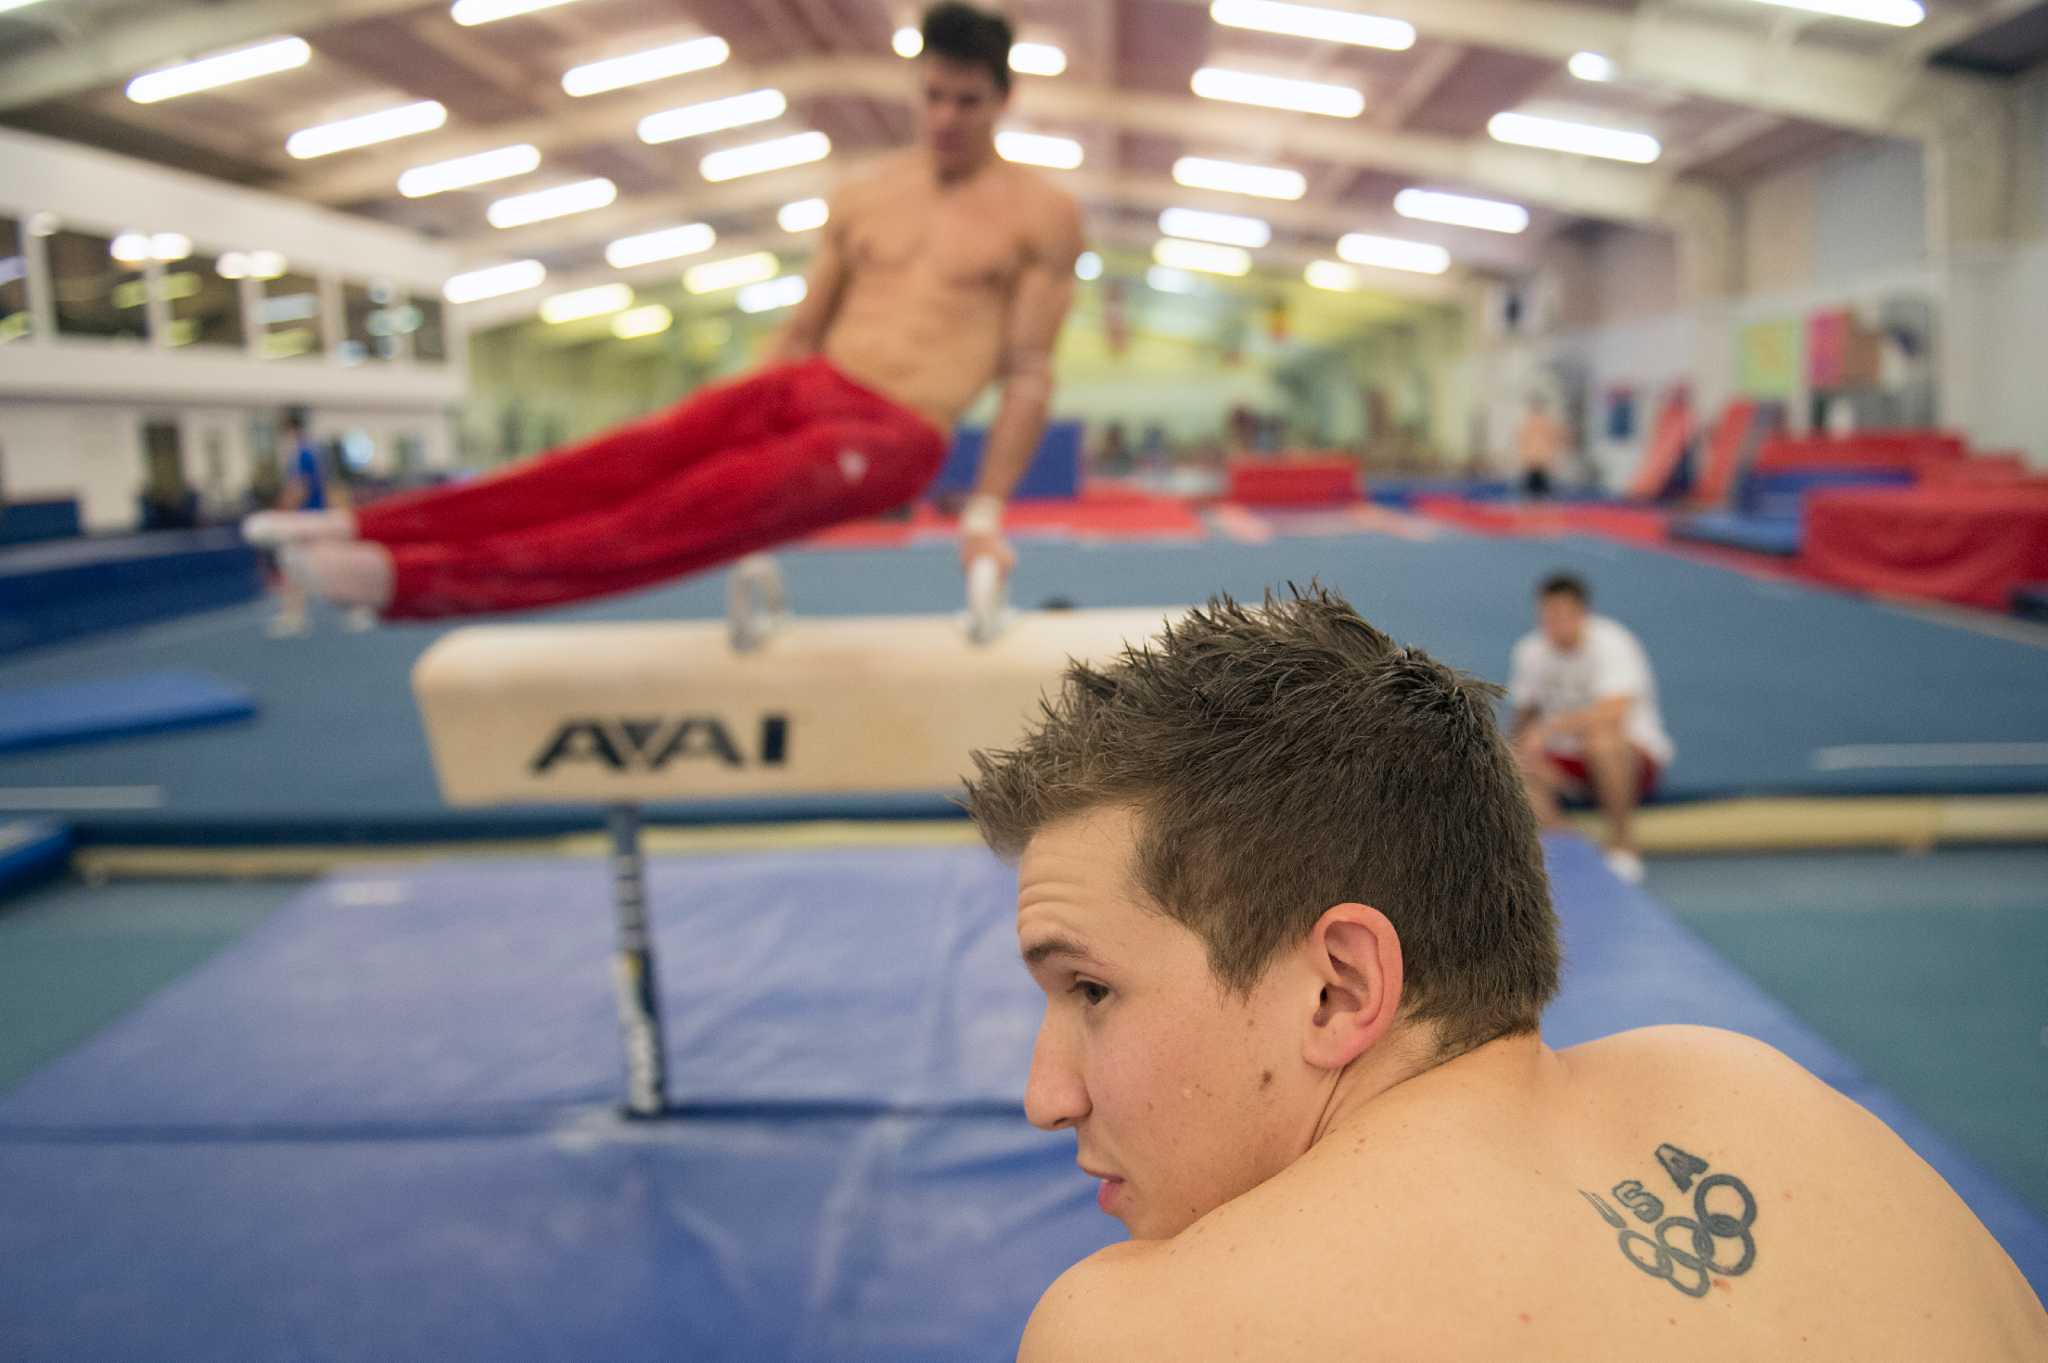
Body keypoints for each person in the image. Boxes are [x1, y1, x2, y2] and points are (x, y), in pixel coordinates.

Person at [961, 586, 2047, 1363]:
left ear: (1337, 986)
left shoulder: (1146, 1331)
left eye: (1090, 990)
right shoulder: (1761, 1091)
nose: (1046, 1093)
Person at [246, 2, 1082, 620]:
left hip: (899, 433)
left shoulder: (1040, 213)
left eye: (967, 102)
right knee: (629, 457)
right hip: (807, 385)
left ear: (1003, 101)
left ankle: (412, 582)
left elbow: (1029, 374)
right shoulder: (865, 194)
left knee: (683, 508)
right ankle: (366, 524)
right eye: (933, 95)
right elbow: (799, 331)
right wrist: (752, 410)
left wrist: (982, 508)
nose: (944, 117)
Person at [1508, 572, 1672, 884]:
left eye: (1563, 615)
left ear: (1582, 613)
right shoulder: (1531, 651)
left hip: (1627, 759)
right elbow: (1525, 715)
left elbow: (1614, 712)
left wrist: (1549, 730)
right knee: (1511, 766)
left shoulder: (1612, 643)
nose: (1555, 623)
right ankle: (1574, 846)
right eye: (1549, 615)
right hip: (1567, 764)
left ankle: (1624, 844)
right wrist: (1518, 749)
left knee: (1602, 738)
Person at [1516, 391, 1566, 499]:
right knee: (1532, 491)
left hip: (1542, 461)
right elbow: (1523, 441)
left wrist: (1553, 457)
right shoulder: (1530, 423)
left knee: (1541, 492)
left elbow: (1556, 440)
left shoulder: (1546, 423)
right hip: (1533, 462)